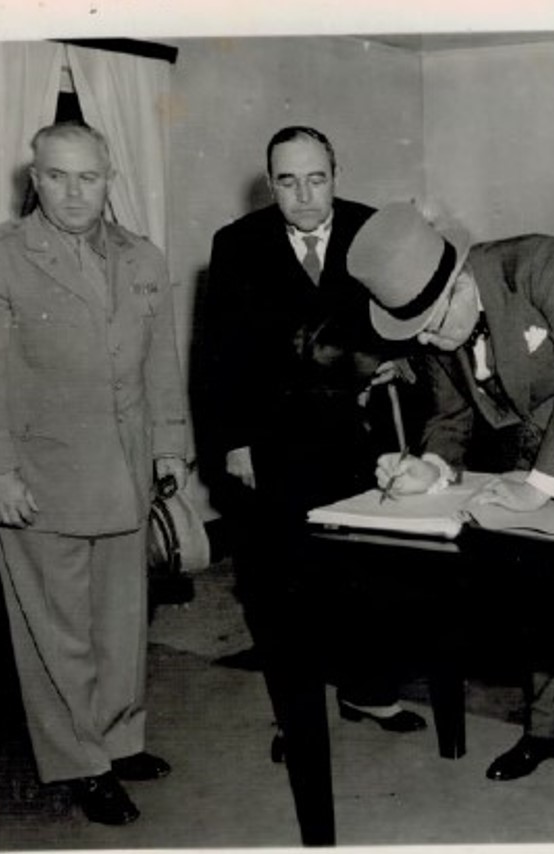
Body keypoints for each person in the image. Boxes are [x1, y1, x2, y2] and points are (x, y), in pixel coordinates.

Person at [347, 202, 554, 799]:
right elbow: (450, 415)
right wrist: (426, 467)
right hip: (548, 458)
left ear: (458, 282)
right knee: (549, 597)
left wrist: (539, 484)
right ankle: (549, 731)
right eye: (415, 331)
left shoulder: (536, 263)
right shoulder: (436, 319)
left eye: (430, 323)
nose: (427, 339)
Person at [0, 122, 188, 825]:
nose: (72, 192)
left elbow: (160, 360)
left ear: (109, 178)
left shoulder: (143, 256)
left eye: (87, 177)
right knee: (56, 631)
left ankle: (120, 741)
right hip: (40, 476)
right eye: (57, 176)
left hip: (124, 470)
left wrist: (169, 446)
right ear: (35, 178)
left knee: (121, 622)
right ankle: (81, 764)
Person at [196, 126, 426, 760]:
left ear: (336, 173)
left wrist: (399, 365)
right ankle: (292, 716)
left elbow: (411, 320)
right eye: (288, 181)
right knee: (281, 585)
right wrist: (233, 441)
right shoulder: (237, 244)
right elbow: (217, 355)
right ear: (270, 184)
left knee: (370, 576)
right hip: (277, 444)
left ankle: (368, 690)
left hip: (363, 442)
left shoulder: (374, 230)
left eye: (316, 178)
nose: (303, 194)